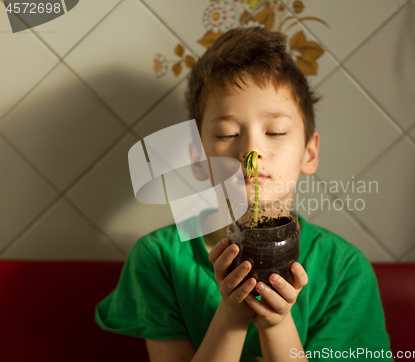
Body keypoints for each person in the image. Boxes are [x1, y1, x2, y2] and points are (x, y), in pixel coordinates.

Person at [95, 26, 392, 362]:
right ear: (197, 158)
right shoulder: (158, 259)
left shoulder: (344, 271)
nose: (251, 149)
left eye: (275, 132)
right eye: (227, 134)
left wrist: (276, 324)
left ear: (309, 153)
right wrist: (232, 315)